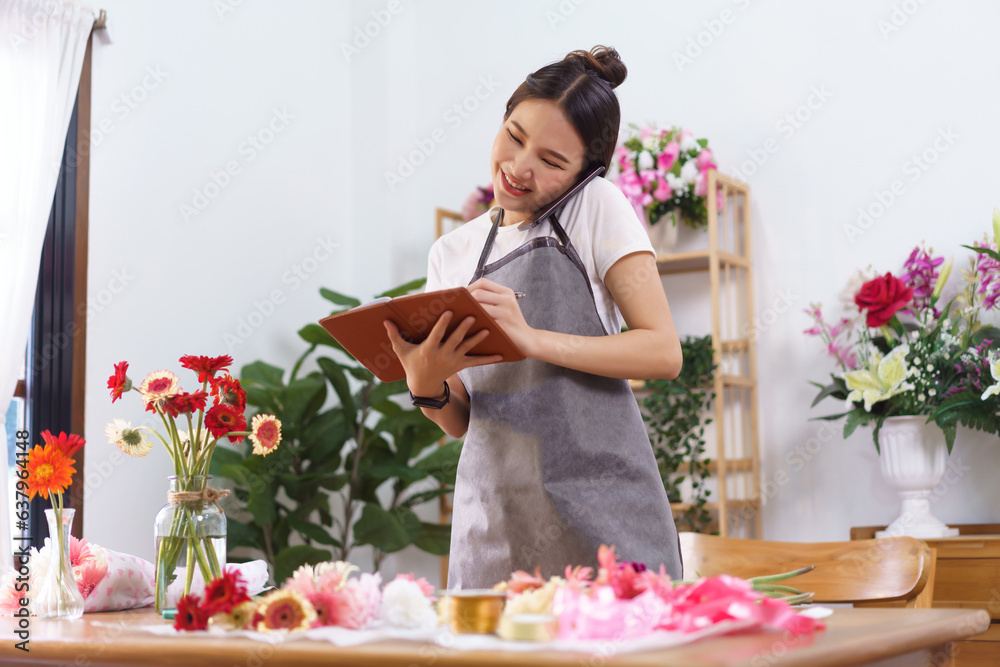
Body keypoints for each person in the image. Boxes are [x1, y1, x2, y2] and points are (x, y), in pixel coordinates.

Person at [384, 45, 684, 589]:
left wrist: (531, 338)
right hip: (493, 525)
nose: (519, 168)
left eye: (551, 161)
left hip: (607, 519)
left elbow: (662, 351)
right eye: (514, 137)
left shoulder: (596, 209)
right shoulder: (452, 253)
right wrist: (426, 386)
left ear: (585, 173)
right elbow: (459, 421)